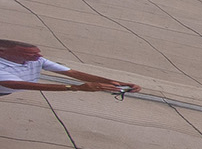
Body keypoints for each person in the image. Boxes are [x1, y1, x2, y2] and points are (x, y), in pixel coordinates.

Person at [0, 40, 140, 97]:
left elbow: (73, 73)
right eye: (31, 53)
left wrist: (117, 83)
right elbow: (24, 85)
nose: (39, 55)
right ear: (3, 51)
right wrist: (75, 87)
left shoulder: (37, 60)